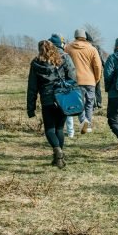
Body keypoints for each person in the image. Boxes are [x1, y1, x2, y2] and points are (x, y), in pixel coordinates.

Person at [26, 40, 76, 168]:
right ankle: (59, 154)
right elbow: (72, 78)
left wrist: (30, 108)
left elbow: (32, 87)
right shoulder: (63, 58)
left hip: (47, 99)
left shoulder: (36, 63)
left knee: (49, 129)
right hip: (63, 98)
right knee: (59, 128)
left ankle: (56, 151)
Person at [65, 28, 102, 134]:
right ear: (85, 37)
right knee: (89, 104)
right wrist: (96, 78)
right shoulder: (92, 49)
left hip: (75, 80)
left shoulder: (68, 48)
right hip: (90, 80)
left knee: (79, 103)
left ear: (75, 36)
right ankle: (88, 125)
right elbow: (98, 66)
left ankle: (83, 122)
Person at [49, 33, 77, 138]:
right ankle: (70, 132)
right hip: (63, 89)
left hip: (49, 90)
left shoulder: (45, 57)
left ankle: (52, 133)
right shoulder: (65, 56)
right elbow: (72, 74)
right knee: (67, 110)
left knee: (51, 114)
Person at [85, 32, 107, 111]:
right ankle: (99, 102)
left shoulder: (86, 47)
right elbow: (101, 59)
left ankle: (93, 104)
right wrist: (105, 67)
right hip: (98, 69)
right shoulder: (97, 47)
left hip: (89, 70)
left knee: (91, 88)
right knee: (97, 87)